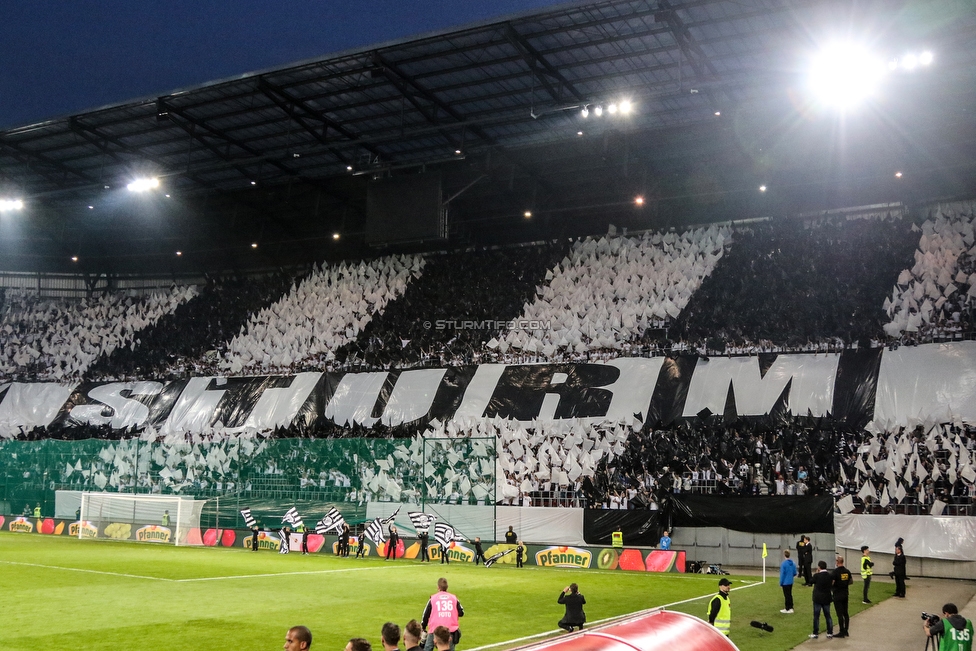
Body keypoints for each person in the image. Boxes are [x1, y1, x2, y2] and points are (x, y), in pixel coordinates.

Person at [422, 578, 464, 651]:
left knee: (428, 648)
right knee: (449, 648)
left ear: (438, 587)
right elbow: (461, 612)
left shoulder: (433, 598)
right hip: (449, 629)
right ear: (447, 587)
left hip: (435, 628)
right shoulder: (453, 598)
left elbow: (426, 614)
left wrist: (423, 627)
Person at [810, 560, 834, 639]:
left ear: (819, 567)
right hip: (827, 597)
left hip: (818, 598)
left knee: (816, 616)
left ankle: (815, 633)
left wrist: (816, 573)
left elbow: (811, 581)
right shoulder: (830, 576)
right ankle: (830, 632)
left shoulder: (817, 576)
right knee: (828, 615)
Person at [832, 555, 853, 638]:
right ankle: (846, 630)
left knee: (839, 614)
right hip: (845, 594)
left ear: (837, 562)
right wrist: (844, 584)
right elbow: (851, 581)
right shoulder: (847, 571)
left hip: (837, 594)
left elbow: (832, 582)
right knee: (845, 613)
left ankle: (841, 631)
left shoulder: (835, 572)